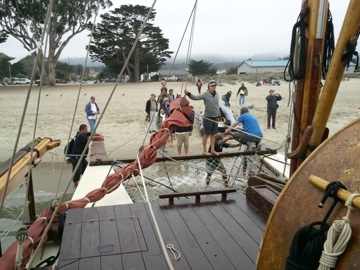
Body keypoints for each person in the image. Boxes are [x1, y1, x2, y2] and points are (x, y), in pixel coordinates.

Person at [185, 80, 220, 156]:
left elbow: (217, 106)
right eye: (212, 86)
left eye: (215, 86)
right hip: (208, 117)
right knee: (206, 134)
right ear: (209, 87)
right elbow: (195, 97)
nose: (214, 87)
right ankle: (204, 150)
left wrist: (219, 115)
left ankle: (213, 150)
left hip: (215, 117)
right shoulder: (205, 94)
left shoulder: (217, 94)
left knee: (213, 134)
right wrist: (188, 94)